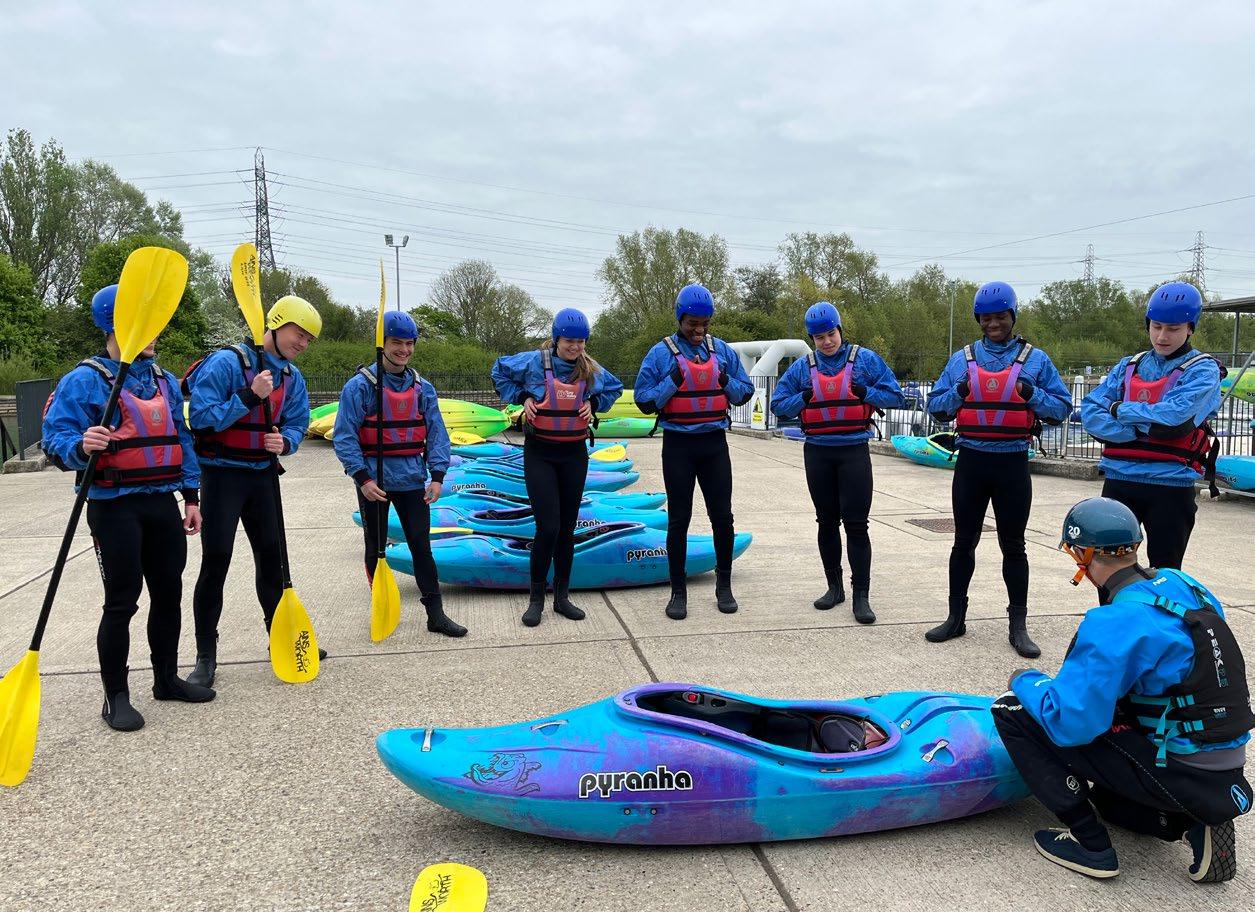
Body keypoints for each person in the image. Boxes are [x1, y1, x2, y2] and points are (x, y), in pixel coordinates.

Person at [992, 496, 1253, 882]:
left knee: (1012, 710)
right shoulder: (1183, 583)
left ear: (1082, 554)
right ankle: (1190, 818)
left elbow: (1071, 723)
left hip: (1177, 763)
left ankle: (1091, 845)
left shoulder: (1113, 622)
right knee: (1112, 798)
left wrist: (1025, 680)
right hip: (1225, 755)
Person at [41, 284, 213, 731]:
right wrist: (81, 444)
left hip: (161, 502)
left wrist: (191, 497)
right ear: (114, 325)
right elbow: (55, 439)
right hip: (113, 507)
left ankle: (166, 679)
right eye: (144, 323)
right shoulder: (83, 380)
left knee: (169, 593)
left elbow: (181, 439)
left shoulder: (163, 380)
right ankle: (115, 695)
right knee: (122, 600)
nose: (155, 333)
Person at [924, 281, 1072, 657]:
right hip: (971, 462)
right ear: (978, 319)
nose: (993, 324)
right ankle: (955, 618)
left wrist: (1032, 394)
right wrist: (958, 393)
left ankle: (1018, 626)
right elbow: (935, 406)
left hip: (1012, 463)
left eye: (1000, 316)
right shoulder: (962, 359)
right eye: (986, 318)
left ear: (1012, 316)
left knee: (1014, 546)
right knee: (963, 543)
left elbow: (1061, 409)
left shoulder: (1036, 360)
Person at [183, 295, 321, 687]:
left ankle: (279, 638)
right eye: (299, 334)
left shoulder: (292, 377)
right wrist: (250, 396)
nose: (302, 343)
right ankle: (205, 655)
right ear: (275, 324)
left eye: (309, 339)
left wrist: (286, 442)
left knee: (272, 561)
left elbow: (297, 422)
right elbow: (201, 418)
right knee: (217, 562)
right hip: (222, 475)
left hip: (262, 476)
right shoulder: (227, 363)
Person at [770, 302, 906, 622]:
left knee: (856, 525)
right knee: (826, 522)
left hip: (853, 451)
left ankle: (861, 596)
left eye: (831, 334)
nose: (827, 341)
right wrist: (803, 398)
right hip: (818, 452)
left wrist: (866, 391)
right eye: (819, 337)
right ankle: (834, 588)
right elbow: (778, 404)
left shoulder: (865, 360)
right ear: (812, 339)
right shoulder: (803, 368)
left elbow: (896, 396)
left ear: (840, 330)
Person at [332, 311, 465, 637]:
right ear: (383, 344)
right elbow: (345, 436)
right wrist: (362, 478)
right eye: (396, 343)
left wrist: (437, 475)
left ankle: (436, 615)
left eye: (409, 343)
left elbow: (437, 434)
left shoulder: (423, 388)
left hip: (411, 479)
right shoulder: (359, 387)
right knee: (375, 547)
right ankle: (381, 606)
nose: (404, 350)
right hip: (374, 483)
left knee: (421, 546)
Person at [491, 308, 624, 626]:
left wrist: (593, 403)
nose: (575, 346)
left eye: (581, 341)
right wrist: (522, 396)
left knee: (566, 529)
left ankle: (562, 598)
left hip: (574, 455)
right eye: (569, 341)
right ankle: (536, 599)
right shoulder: (533, 362)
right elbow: (499, 370)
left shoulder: (590, 369)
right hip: (540, 454)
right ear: (556, 339)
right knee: (548, 527)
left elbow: (614, 388)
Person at [1080, 282, 1221, 570]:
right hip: (1119, 481)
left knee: (1165, 571)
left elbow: (1174, 419)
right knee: (1107, 569)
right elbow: (1091, 412)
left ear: (1190, 328)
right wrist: (1132, 430)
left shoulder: (1203, 369)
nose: (1162, 336)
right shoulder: (1128, 366)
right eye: (1156, 327)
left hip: (1170, 485)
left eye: (1173, 329)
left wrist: (1119, 409)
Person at [633, 284, 754, 620]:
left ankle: (724, 585)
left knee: (723, 517)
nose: (699, 330)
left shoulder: (722, 351)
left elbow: (745, 392)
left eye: (704, 324)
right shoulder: (660, 354)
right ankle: (678, 592)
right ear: (680, 319)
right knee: (679, 520)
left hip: (714, 444)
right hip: (678, 445)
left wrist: (724, 380)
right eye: (692, 324)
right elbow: (644, 401)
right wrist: (672, 380)